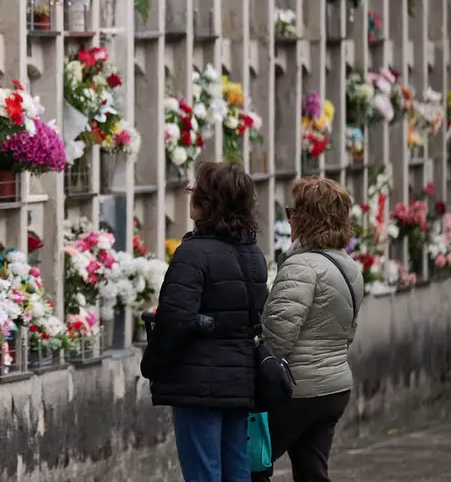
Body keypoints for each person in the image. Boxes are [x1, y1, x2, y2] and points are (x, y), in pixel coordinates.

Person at [141, 161, 267, 481]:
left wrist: (152, 364)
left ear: (209, 201)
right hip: (239, 379)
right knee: (236, 468)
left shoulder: (193, 253)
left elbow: (175, 320)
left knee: (203, 471)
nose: (190, 196)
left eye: (195, 190)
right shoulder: (252, 252)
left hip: (197, 382)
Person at [252, 177, 363, 482]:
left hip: (296, 391)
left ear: (305, 218)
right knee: (313, 473)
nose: (289, 218)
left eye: (292, 211)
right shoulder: (348, 265)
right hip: (335, 387)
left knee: (251, 464)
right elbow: (348, 332)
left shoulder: (301, 266)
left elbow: (276, 336)